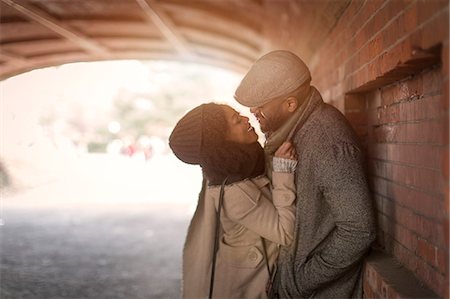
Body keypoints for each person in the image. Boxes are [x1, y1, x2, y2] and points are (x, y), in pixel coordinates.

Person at [234, 50, 376, 298]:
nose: (253, 111)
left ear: (290, 104)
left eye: (260, 105)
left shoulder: (327, 141)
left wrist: (299, 283)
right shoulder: (289, 133)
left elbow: (358, 229)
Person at [169, 103, 298, 299]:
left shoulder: (241, 166)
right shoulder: (233, 191)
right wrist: (283, 171)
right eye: (237, 121)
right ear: (222, 141)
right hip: (249, 287)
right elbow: (285, 233)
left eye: (239, 115)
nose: (246, 119)